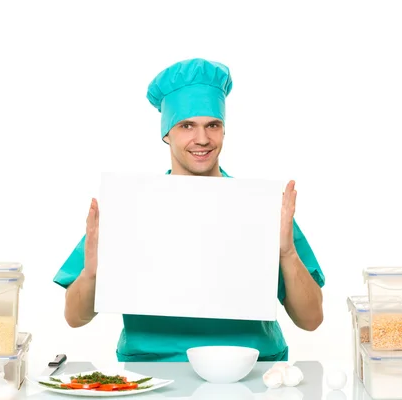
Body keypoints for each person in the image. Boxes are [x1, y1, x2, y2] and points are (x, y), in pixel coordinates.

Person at [53, 58, 325, 362]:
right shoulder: (132, 206)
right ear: (166, 133)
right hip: (151, 371)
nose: (202, 139)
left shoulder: (259, 205)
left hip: (252, 368)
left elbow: (311, 320)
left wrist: (286, 253)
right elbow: (75, 318)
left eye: (213, 125)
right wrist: (92, 272)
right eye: (186, 126)